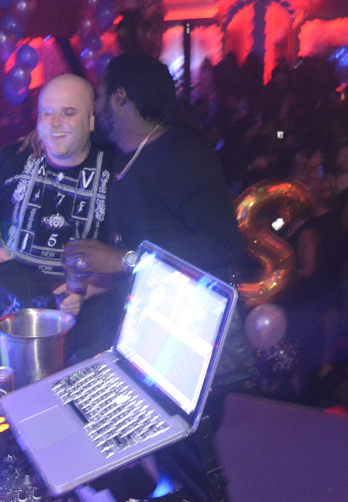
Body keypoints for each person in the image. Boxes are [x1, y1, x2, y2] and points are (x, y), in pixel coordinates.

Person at [62, 53, 246, 356]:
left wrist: (125, 260)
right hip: (148, 336)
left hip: (190, 344)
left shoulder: (179, 154)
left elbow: (224, 243)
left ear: (119, 97)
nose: (94, 106)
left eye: (99, 95)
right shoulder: (126, 152)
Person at [0, 74, 112, 317]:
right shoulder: (12, 158)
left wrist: (91, 290)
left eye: (68, 113)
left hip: (84, 324)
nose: (54, 122)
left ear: (91, 119)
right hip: (11, 318)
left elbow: (130, 258)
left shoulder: (114, 170)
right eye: (46, 113)